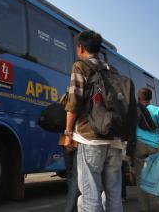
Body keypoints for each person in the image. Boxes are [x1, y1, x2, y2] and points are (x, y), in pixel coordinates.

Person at [64, 30, 124, 212]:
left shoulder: (80, 66)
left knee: (90, 196)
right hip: (115, 140)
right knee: (114, 195)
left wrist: (68, 133)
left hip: (90, 137)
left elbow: (74, 102)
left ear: (81, 48)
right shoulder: (112, 70)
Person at [133, 88, 159, 212]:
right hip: (156, 147)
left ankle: (144, 209)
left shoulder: (134, 110)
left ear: (138, 98)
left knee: (141, 179)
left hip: (139, 146)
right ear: (150, 98)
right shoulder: (157, 110)